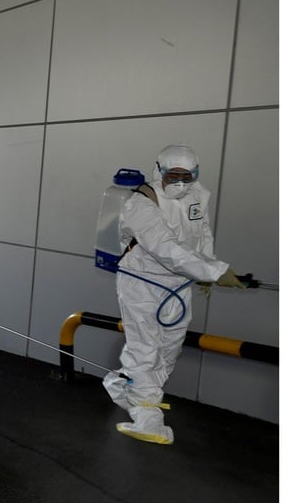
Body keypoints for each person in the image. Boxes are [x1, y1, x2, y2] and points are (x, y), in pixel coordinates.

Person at [103, 144, 245, 445]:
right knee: (145, 348)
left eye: (187, 176)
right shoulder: (141, 203)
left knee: (170, 348)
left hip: (178, 284)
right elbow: (164, 247)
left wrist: (205, 265)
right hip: (142, 282)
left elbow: (201, 233)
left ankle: (130, 387)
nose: (180, 182)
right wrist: (214, 271)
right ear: (159, 171)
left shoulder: (198, 195)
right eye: (173, 175)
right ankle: (147, 415)